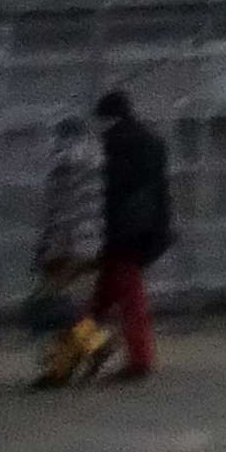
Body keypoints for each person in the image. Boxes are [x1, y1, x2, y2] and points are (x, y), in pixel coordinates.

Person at [90, 88, 172, 382]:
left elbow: (111, 193)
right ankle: (87, 345)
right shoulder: (152, 142)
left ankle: (138, 359)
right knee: (107, 293)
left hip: (123, 233)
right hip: (148, 230)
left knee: (125, 297)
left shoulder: (115, 145)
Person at [27, 111, 107, 387]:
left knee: (48, 301)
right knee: (64, 302)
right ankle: (60, 367)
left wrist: (46, 250)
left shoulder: (64, 166)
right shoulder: (97, 163)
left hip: (68, 245)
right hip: (91, 245)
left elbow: (59, 214)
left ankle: (95, 343)